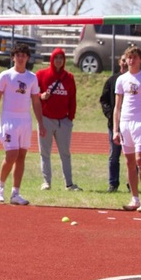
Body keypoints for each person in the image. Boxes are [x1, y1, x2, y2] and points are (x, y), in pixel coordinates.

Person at [0, 43, 46, 206]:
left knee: (21, 156)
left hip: (25, 121)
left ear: (27, 58)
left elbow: (36, 101)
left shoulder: (32, 78)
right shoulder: (5, 76)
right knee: (11, 155)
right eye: (17, 55)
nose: (20, 58)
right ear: (13, 57)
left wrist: (40, 122)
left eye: (24, 55)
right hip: (9, 120)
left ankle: (15, 193)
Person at [36, 48, 80, 191]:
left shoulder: (69, 77)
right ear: (52, 59)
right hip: (46, 119)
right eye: (56, 57)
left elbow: (72, 99)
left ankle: (69, 183)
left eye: (61, 57)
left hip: (63, 121)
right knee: (45, 152)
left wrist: (70, 118)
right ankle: (46, 182)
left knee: (65, 153)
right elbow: (33, 93)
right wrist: (41, 96)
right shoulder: (41, 75)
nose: (59, 60)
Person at [114, 45, 141, 213]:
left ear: (140, 59)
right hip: (125, 123)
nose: (131, 60)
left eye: (134, 57)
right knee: (129, 162)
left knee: (140, 160)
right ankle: (134, 198)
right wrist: (116, 129)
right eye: (129, 57)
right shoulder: (121, 79)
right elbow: (117, 106)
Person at [100, 57, 128, 192]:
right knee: (113, 156)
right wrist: (110, 115)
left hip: (129, 123)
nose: (125, 62)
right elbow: (104, 100)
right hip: (114, 124)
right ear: (119, 62)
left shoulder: (133, 80)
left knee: (132, 156)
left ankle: (131, 184)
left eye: (127, 60)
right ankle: (113, 184)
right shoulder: (112, 80)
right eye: (123, 60)